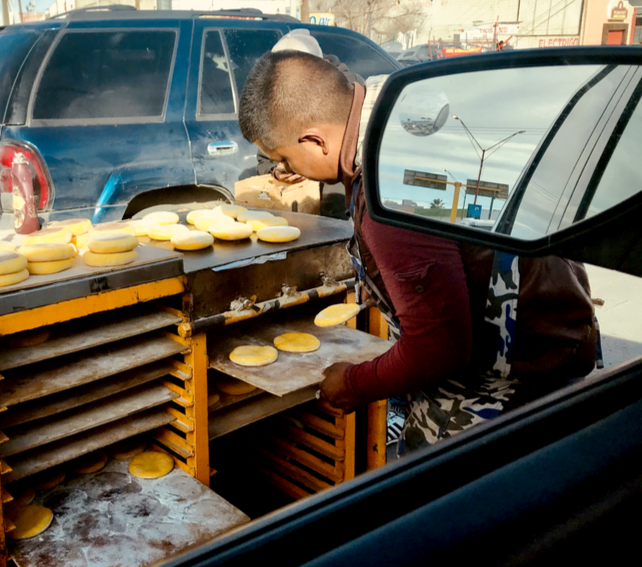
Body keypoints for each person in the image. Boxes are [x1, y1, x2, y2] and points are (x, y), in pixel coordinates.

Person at [238, 42, 599, 457]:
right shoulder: (404, 101)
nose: (289, 173)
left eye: (285, 159)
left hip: (510, 386)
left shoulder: (388, 190)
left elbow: (439, 349)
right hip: (563, 326)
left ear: (314, 140)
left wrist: (354, 383)